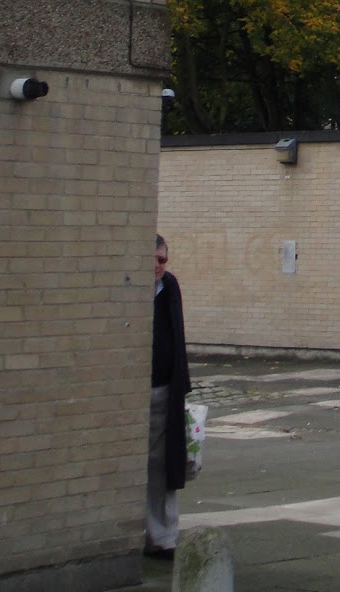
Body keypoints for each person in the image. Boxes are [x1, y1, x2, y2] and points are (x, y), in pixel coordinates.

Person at [146, 235, 191, 560]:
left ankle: (164, 537)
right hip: (137, 391)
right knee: (145, 463)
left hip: (164, 389)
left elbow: (177, 335)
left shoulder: (169, 286)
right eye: (154, 260)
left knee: (164, 464)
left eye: (163, 260)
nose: (159, 266)